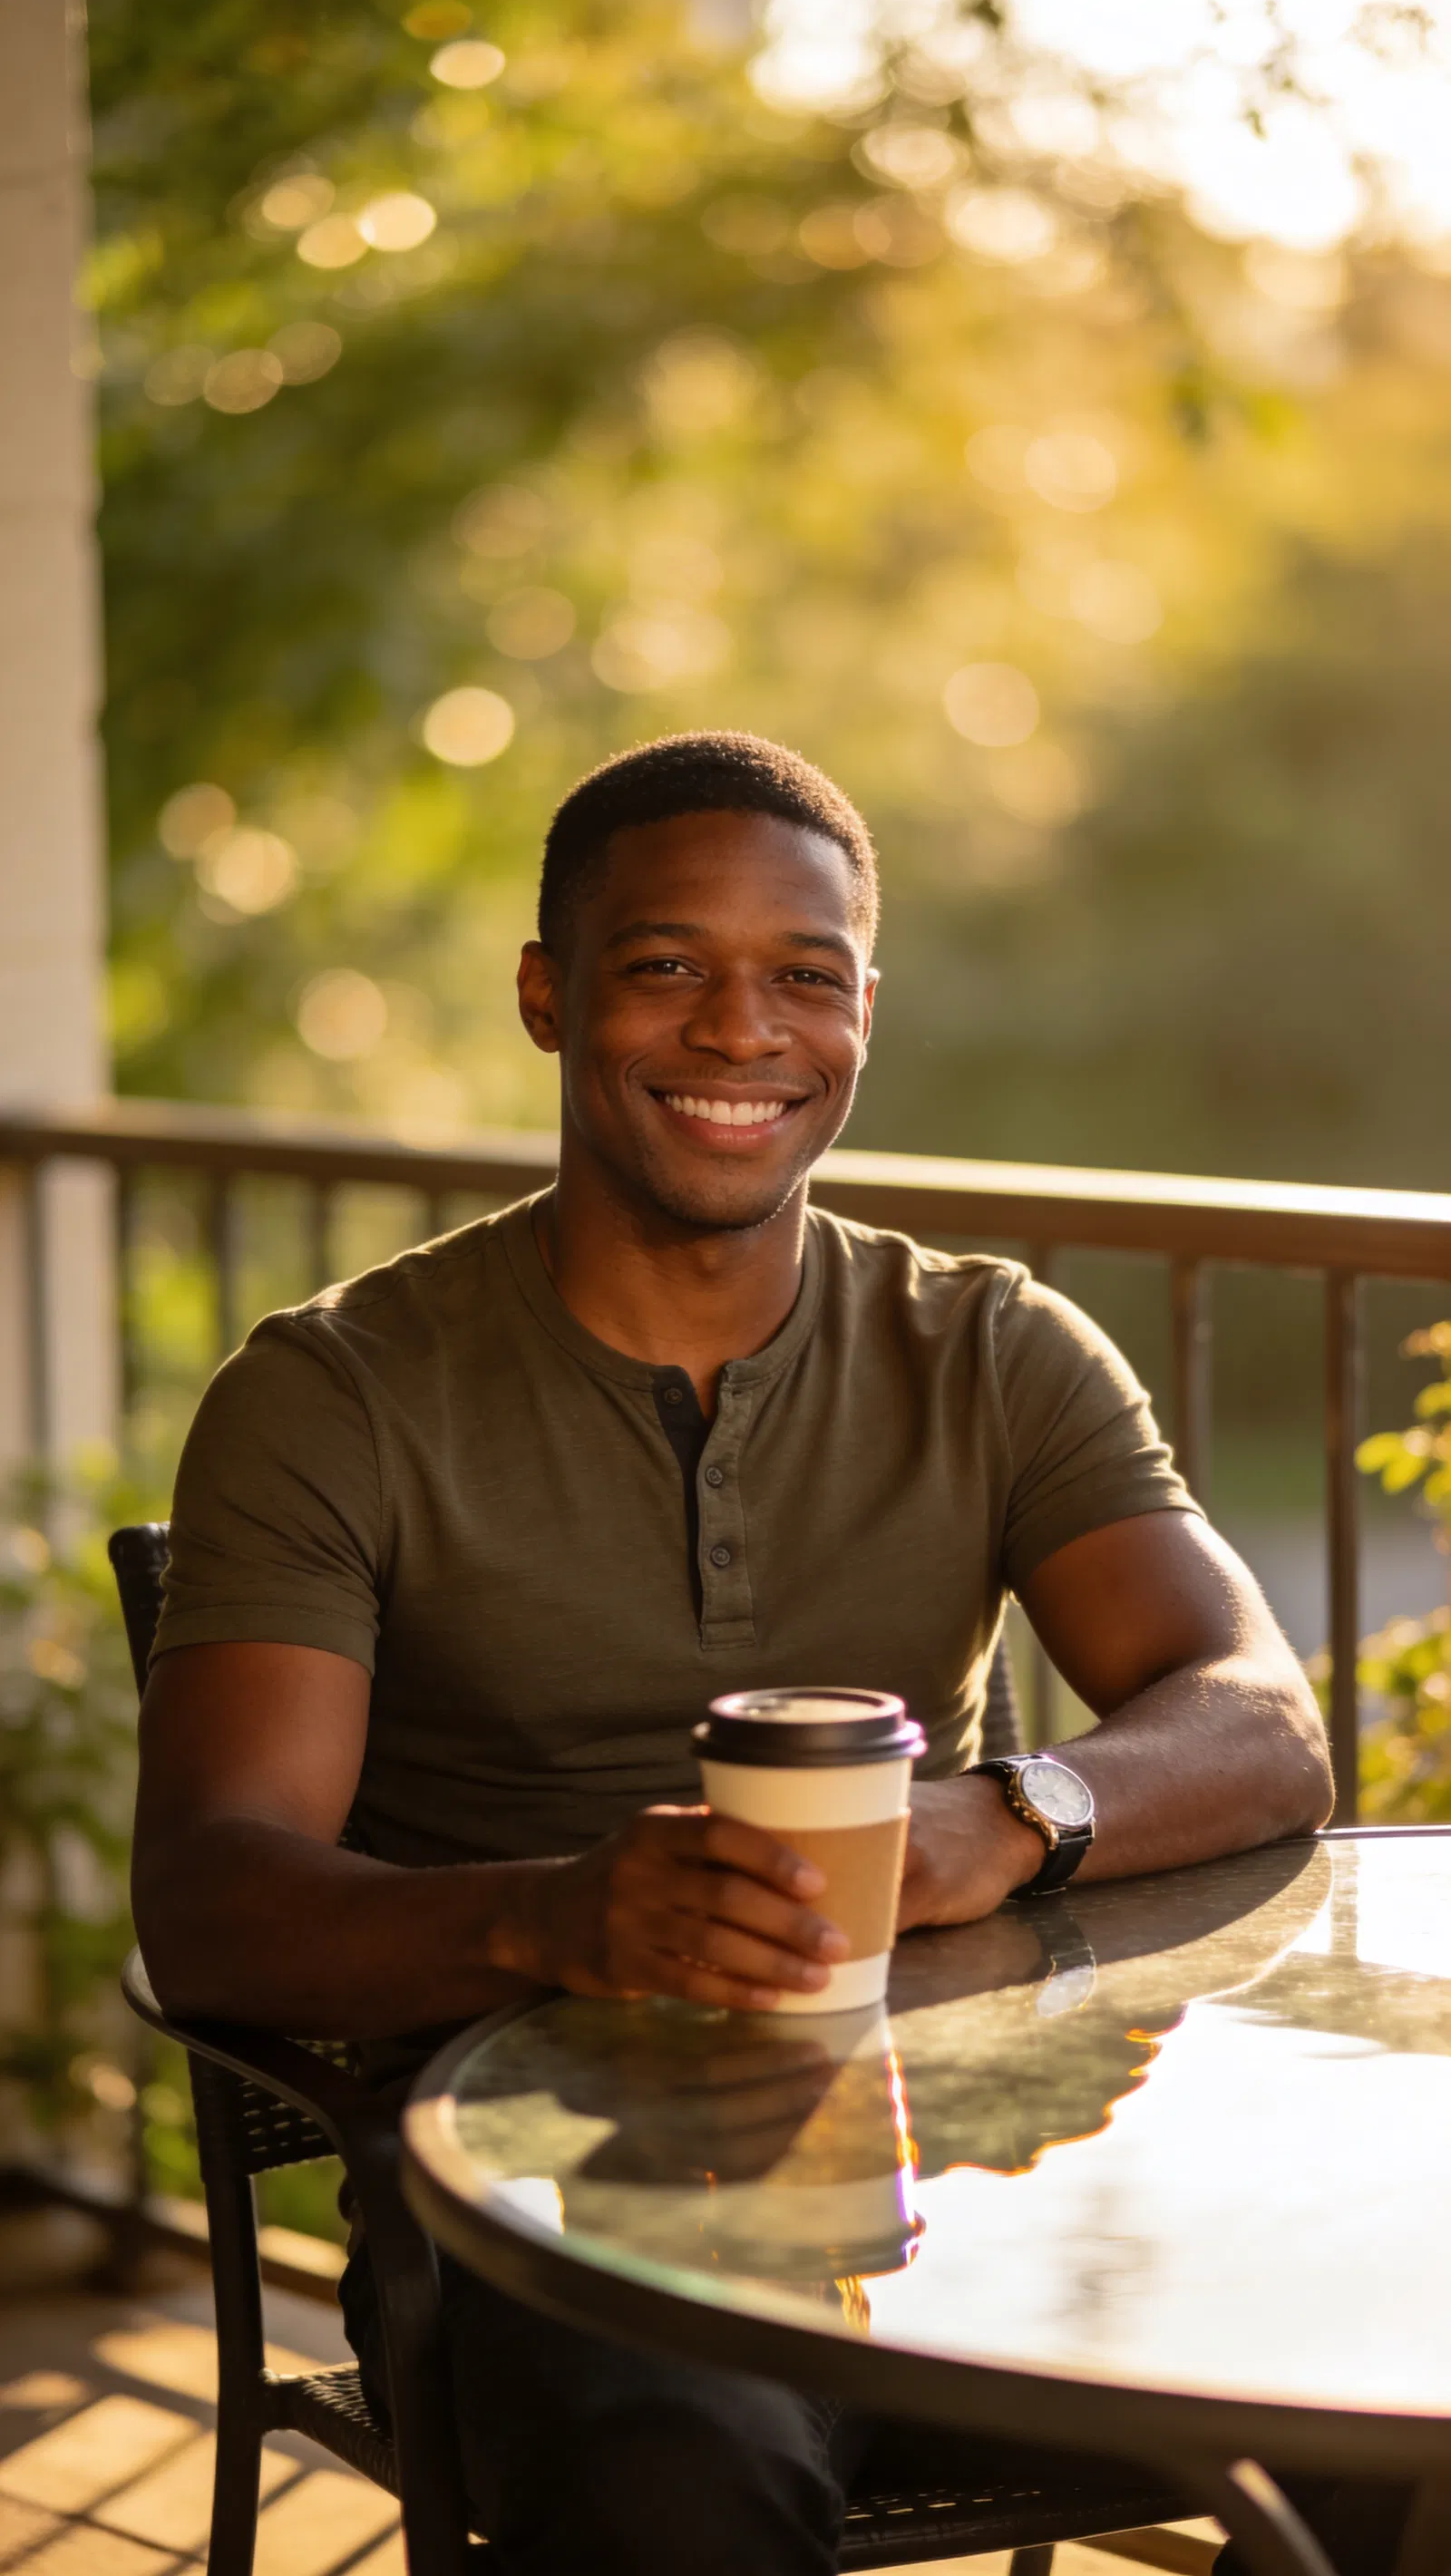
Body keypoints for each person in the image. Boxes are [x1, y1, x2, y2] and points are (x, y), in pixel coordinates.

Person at [131, 731, 1343, 2575]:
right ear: (549, 998)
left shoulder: (989, 1352)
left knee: (1375, 2383)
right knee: (666, 2491)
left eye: (803, 975)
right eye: (666, 966)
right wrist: (545, 1919)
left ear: (862, 1011)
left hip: (967, 2180)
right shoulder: (336, 1397)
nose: (738, 1031)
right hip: (536, 2205)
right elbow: (214, 1899)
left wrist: (1008, 1818)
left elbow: (1259, 1721)